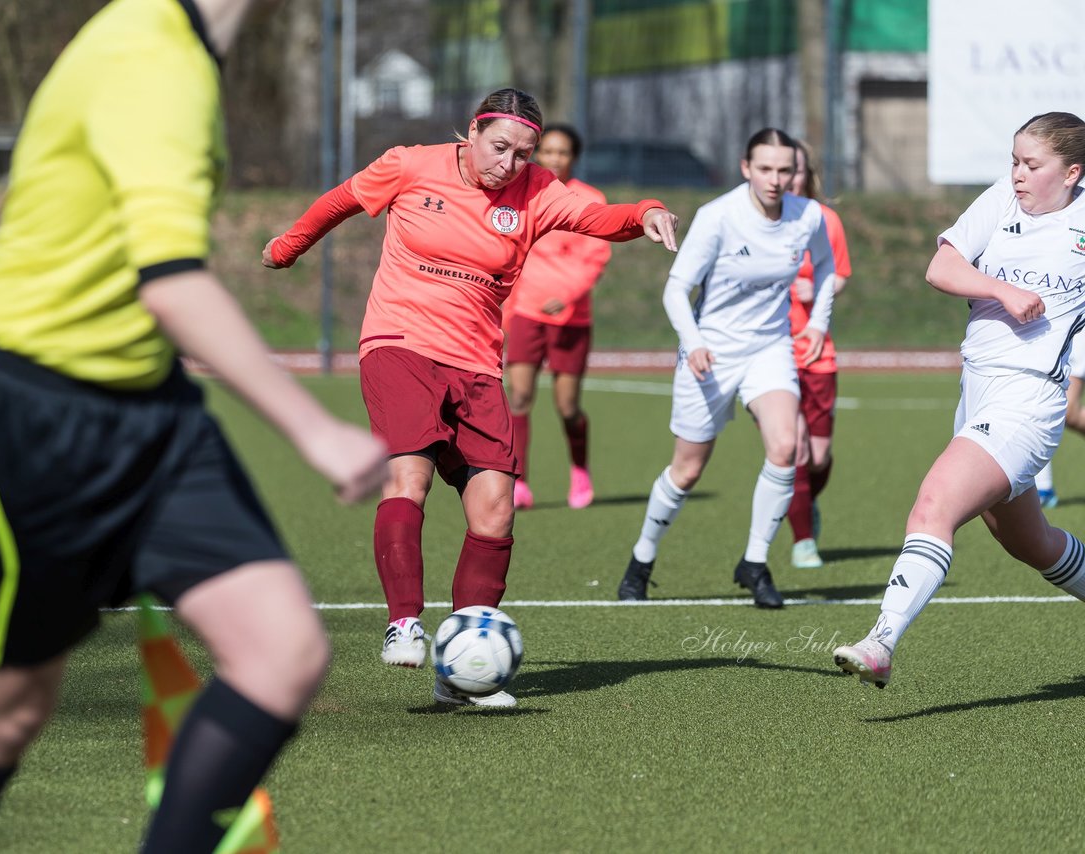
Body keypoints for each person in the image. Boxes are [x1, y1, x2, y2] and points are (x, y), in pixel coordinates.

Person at [0, 1, 388, 852]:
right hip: (28, 412)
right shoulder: (154, 59)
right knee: (10, 704)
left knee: (282, 653)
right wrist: (315, 430)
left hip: (152, 411)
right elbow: (170, 283)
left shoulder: (183, 51)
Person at [263, 88, 679, 707]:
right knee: (409, 477)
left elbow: (601, 219)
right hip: (398, 342)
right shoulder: (410, 164)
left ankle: (463, 668)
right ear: (472, 132)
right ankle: (404, 621)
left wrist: (644, 211)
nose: (509, 164)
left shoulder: (538, 190)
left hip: (478, 363)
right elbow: (341, 202)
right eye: (500, 147)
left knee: (495, 510)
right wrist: (288, 245)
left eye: (523, 153)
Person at [833, 112, 1085, 688]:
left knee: (934, 505)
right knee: (1031, 542)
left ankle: (882, 641)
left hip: (1030, 399)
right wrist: (1001, 289)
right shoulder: (1000, 200)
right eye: (1014, 160)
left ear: (1071, 172)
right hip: (977, 390)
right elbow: (941, 266)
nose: (1018, 174)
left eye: (1032, 165)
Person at [616, 128, 836, 609]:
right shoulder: (719, 217)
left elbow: (826, 269)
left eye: (784, 170)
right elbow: (676, 290)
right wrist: (692, 343)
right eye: (765, 169)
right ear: (745, 168)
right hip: (711, 352)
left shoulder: (809, 216)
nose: (775, 180)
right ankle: (641, 560)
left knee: (786, 446)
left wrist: (818, 322)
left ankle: (755, 563)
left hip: (770, 349)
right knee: (687, 470)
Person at [503, 123, 612, 511]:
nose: (553, 159)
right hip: (526, 313)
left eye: (562, 152)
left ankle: (580, 471)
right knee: (518, 397)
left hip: (571, 319)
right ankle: (518, 482)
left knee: (568, 406)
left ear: (574, 157)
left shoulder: (589, 199)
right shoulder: (520, 194)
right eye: (546, 151)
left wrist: (566, 295)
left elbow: (596, 257)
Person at [785, 139, 852, 569]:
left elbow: (840, 273)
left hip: (817, 354)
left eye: (793, 170)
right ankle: (802, 540)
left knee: (820, 457)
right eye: (775, 169)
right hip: (772, 355)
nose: (785, 178)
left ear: (807, 174)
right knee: (796, 451)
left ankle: (804, 503)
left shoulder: (825, 219)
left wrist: (819, 288)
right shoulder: (751, 222)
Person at [1030, 326, 1085, 507]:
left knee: (1068, 412)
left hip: (1075, 321)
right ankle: (1042, 488)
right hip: (1050, 324)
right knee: (1039, 405)